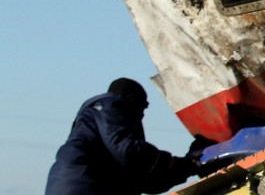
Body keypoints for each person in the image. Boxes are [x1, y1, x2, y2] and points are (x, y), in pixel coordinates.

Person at [45, 78, 200, 195]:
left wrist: (186, 168)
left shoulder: (98, 133)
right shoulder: (110, 106)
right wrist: (178, 163)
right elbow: (128, 150)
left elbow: (144, 180)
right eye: (143, 106)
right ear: (133, 101)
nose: (143, 114)